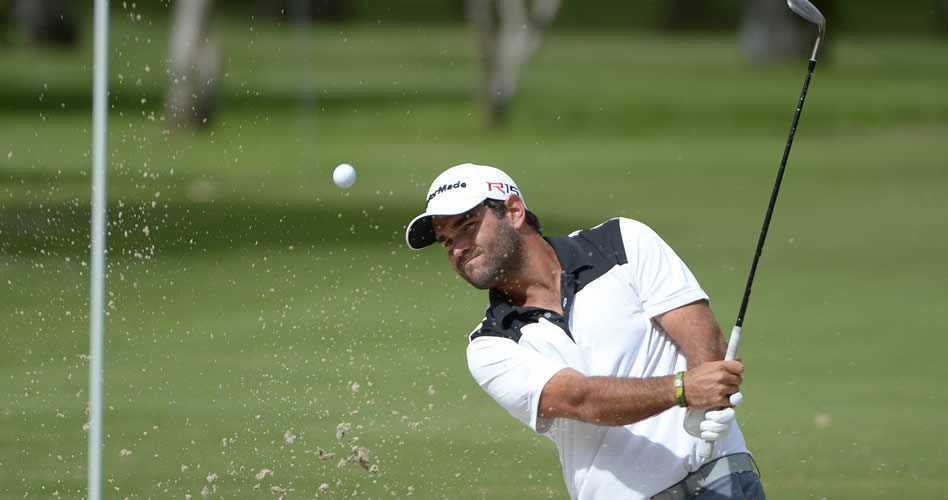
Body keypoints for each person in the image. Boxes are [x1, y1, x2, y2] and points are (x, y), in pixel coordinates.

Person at [405, 163, 765, 500]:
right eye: (447, 241)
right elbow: (579, 399)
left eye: (467, 225)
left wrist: (708, 396)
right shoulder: (489, 346)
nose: (458, 248)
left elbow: (698, 327)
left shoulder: (620, 242)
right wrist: (684, 390)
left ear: (513, 211)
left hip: (720, 478)